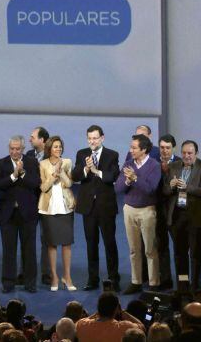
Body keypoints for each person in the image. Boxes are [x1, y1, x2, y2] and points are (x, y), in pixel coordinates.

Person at [72, 125, 121, 291]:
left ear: (102, 138)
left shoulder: (112, 155)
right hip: (88, 208)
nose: (92, 141)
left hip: (106, 207)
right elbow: (75, 175)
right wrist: (86, 169)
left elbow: (112, 176)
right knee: (91, 244)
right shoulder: (81, 153)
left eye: (95, 138)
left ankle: (114, 279)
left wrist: (96, 170)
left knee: (109, 243)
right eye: (90, 138)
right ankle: (92, 279)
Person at [162, 140, 201, 291]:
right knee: (179, 254)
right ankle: (183, 285)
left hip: (196, 218)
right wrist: (170, 186)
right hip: (177, 217)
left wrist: (187, 187)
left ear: (196, 153)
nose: (186, 156)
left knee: (195, 255)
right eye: (184, 153)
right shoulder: (173, 166)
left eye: (190, 153)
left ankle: (195, 286)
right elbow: (164, 191)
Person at [114, 134, 161, 294]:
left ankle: (154, 283)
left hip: (147, 210)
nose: (131, 150)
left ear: (144, 149)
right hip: (129, 210)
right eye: (131, 147)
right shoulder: (128, 164)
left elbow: (150, 189)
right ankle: (136, 281)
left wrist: (134, 178)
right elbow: (118, 188)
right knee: (134, 249)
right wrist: (127, 180)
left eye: (134, 148)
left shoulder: (154, 165)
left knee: (150, 249)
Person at [0, 135, 40, 293]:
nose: (14, 151)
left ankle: (30, 283)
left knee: (29, 250)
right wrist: (13, 175)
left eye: (17, 149)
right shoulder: (1, 163)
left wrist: (23, 173)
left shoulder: (32, 162)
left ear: (23, 148)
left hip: (28, 213)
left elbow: (35, 183)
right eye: (12, 149)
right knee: (9, 250)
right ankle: (8, 283)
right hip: (8, 214)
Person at [38, 136, 76, 291]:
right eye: (55, 146)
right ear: (49, 149)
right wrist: (53, 175)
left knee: (66, 243)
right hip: (49, 207)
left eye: (60, 146)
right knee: (52, 243)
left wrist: (61, 172)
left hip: (65, 206)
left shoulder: (67, 162)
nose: (58, 149)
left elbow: (69, 184)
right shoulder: (43, 164)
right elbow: (43, 188)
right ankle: (54, 276)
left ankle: (67, 277)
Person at [25, 126, 50, 285]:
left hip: (47, 203)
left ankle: (46, 273)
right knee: (27, 238)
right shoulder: (27, 155)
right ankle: (26, 271)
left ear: (42, 140)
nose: (30, 139)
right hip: (30, 203)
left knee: (46, 239)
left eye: (33, 137)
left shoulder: (52, 156)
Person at [153, 134, 178, 289]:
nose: (164, 151)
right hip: (158, 211)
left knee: (179, 248)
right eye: (162, 147)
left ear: (173, 147)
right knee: (161, 247)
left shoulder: (181, 162)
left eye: (168, 148)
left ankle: (183, 280)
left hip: (176, 212)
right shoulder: (153, 163)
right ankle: (166, 279)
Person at [75, 292, 144, 342]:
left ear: (98, 308)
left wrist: (95, 314)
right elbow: (142, 327)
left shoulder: (82, 325)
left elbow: (77, 324)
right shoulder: (124, 327)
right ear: (116, 309)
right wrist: (123, 312)